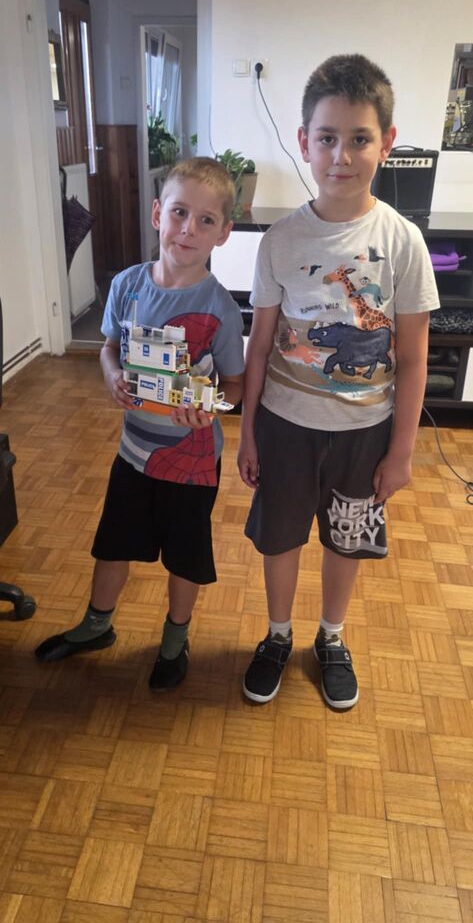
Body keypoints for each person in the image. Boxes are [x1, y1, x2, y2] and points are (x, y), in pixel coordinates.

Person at [238, 54, 439, 710]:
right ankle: (277, 634)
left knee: (345, 539)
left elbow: (413, 359)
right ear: (304, 141)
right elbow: (260, 344)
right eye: (326, 138)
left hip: (363, 433)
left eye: (359, 138)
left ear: (386, 141)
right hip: (284, 427)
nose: (341, 155)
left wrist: (401, 453)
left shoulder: (403, 242)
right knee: (279, 536)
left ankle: (331, 636)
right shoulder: (279, 241)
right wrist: (246, 434)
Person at [35, 157, 244, 690]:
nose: (188, 229)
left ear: (223, 233)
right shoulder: (127, 285)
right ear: (157, 214)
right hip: (133, 451)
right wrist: (110, 375)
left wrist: (211, 405)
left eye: (205, 220)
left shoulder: (220, 307)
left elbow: (236, 384)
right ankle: (96, 625)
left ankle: (175, 639)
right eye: (179, 213)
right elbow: (109, 347)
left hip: (192, 463)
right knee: (113, 543)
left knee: (185, 558)